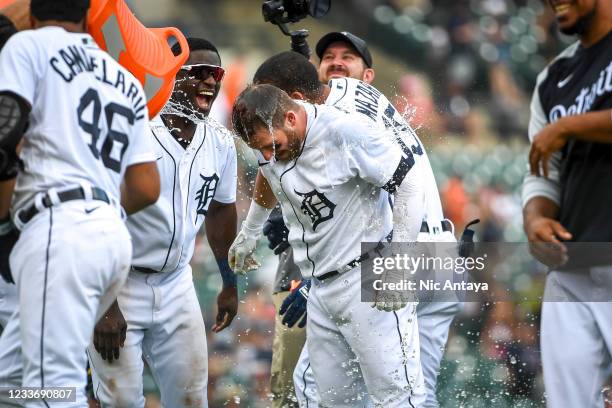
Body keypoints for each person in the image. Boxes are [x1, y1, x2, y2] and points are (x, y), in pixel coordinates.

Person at [260, 46, 459, 407]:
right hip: (439, 252)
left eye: (347, 58)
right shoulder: (366, 99)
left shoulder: (345, 121)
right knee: (414, 395)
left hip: (404, 253)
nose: (336, 63)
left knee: (334, 390)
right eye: (328, 57)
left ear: (368, 75)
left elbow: (378, 205)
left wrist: (319, 285)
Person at [0, 0, 160, 406]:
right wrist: (95, 210)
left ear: (32, 17)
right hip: (109, 235)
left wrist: (4, 223)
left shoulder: (27, 45)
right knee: (11, 383)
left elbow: (5, 132)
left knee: (52, 389)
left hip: (59, 228)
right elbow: (145, 186)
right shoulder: (124, 77)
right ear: (89, 19)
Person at [230, 83, 428, 407]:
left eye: (272, 146)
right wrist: (250, 230)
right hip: (319, 288)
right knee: (331, 402)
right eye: (260, 150)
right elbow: (267, 173)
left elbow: (410, 183)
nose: (267, 156)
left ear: (292, 118)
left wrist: (400, 263)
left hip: (367, 276)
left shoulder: (345, 131)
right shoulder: (268, 137)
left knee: (397, 399)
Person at [87, 37, 238, 407]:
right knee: (121, 402)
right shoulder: (133, 129)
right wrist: (105, 305)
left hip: (177, 283)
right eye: (198, 72)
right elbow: (96, 214)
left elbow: (221, 210)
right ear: (169, 76)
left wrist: (229, 280)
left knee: (191, 399)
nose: (210, 81)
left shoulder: (220, 141)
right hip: (120, 281)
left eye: (215, 73)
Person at [522, 1, 612, 407]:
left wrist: (569, 125)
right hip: (571, 266)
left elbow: (557, 135)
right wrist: (535, 218)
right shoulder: (553, 78)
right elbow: (542, 171)